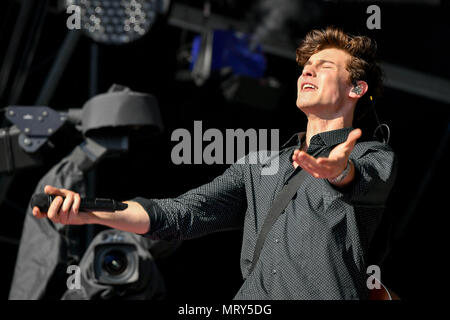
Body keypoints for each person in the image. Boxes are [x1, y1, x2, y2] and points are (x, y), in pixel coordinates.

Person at [33, 27, 397, 300]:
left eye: (325, 65)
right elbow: (180, 214)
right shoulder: (259, 166)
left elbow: (359, 180)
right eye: (306, 66)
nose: (307, 72)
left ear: (356, 89)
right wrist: (91, 213)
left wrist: (339, 172)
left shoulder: (372, 156)